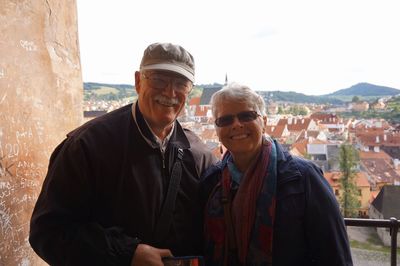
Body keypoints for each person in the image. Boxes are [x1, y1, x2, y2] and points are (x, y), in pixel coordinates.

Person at [29, 42, 217, 266]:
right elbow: (48, 232)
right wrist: (127, 254)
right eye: (158, 80)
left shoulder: (198, 154)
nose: (170, 92)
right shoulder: (87, 145)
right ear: (138, 81)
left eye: (181, 84)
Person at [201, 83, 353, 266]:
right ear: (216, 129)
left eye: (246, 116)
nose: (236, 125)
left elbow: (335, 256)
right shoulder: (211, 182)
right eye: (225, 120)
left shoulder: (304, 178)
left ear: (264, 122)